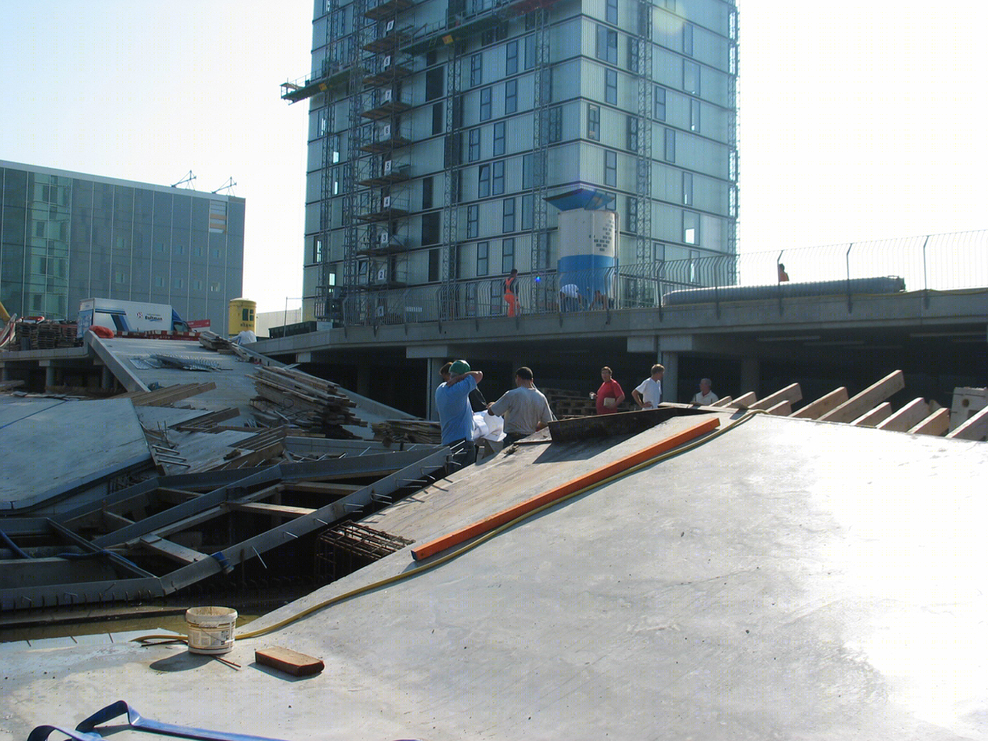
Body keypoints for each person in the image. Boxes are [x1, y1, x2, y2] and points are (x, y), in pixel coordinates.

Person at [435, 359, 484, 471]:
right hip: (462, 441)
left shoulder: (440, 389)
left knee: (451, 476)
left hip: (447, 441)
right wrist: (460, 378)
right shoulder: (459, 389)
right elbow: (479, 374)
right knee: (461, 479)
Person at [487, 366, 555, 445]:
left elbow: (491, 412)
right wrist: (533, 425)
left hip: (513, 439)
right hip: (530, 440)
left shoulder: (512, 394)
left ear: (518, 378)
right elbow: (547, 423)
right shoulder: (541, 397)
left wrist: (492, 405)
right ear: (532, 380)